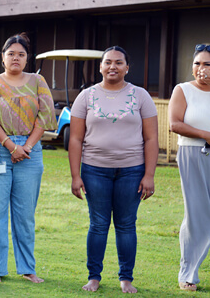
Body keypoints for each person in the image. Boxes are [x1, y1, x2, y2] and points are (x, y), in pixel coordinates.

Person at [69, 46, 158, 294]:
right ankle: (94, 277)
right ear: (100, 67)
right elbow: (75, 139)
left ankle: (126, 278)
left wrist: (149, 175)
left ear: (127, 67)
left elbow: (151, 139)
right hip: (94, 170)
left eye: (119, 63)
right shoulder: (85, 96)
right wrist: (76, 176)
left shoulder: (141, 96)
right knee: (98, 224)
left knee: (127, 225)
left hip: (132, 171)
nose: (113, 67)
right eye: (108, 62)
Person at [0, 33, 57, 284]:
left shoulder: (37, 81)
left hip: (30, 151)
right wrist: (12, 146)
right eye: (10, 53)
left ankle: (27, 268)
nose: (15, 58)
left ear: (27, 58)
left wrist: (27, 147)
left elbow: (44, 117)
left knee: (24, 214)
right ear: (2, 57)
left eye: (21, 54)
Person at [169, 43, 210, 292]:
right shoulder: (182, 89)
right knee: (197, 215)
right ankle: (188, 273)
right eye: (197, 63)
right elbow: (174, 123)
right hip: (193, 153)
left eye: (207, 64)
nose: (201, 69)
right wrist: (206, 134)